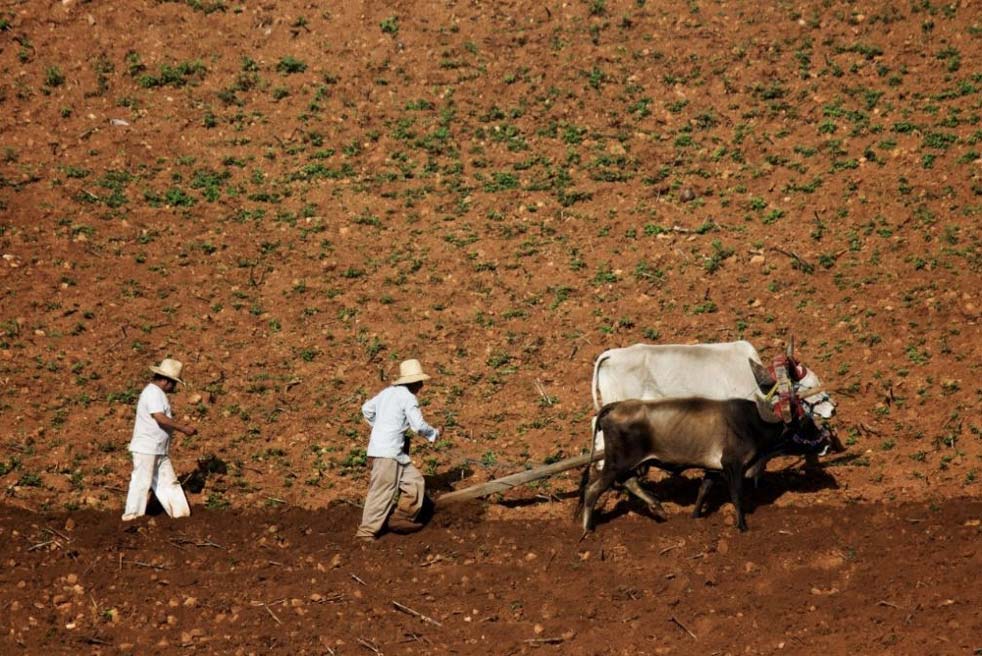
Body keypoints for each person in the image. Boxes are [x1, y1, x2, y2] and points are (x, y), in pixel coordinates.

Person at [355, 359, 441, 540]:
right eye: (420, 382)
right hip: (388, 453)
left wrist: (380, 427)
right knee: (382, 492)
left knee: (414, 482)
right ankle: (365, 534)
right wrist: (434, 434)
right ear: (415, 382)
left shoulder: (387, 393)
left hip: (392, 451)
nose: (422, 386)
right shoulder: (408, 398)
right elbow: (418, 425)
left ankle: (401, 517)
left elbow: (366, 409)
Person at [122, 358, 198, 521]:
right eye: (173, 383)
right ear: (165, 380)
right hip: (147, 447)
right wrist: (183, 428)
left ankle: (181, 515)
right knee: (141, 481)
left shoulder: (156, 393)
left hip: (157, 448)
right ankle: (132, 516)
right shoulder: (153, 393)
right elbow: (160, 418)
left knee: (168, 481)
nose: (174, 387)